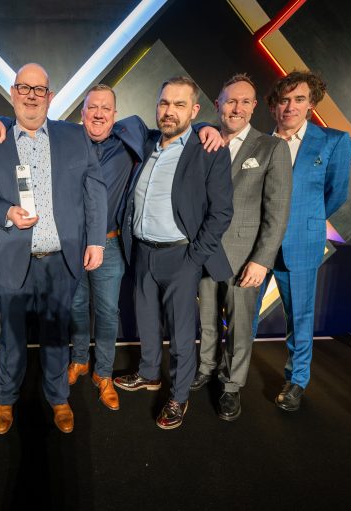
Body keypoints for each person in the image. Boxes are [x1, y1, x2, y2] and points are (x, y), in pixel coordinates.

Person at [0, 85, 223, 412]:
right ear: (81, 114)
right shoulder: (64, 139)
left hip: (109, 245)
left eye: (106, 108)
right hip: (70, 246)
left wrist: (207, 127)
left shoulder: (132, 136)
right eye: (92, 107)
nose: (98, 113)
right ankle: (80, 360)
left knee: (108, 313)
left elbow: (175, 125)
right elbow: (28, 119)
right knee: (77, 309)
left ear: (115, 115)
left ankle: (104, 373)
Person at [0, 63, 107, 435]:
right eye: (23, 88)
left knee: (55, 336)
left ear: (50, 96)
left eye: (39, 89)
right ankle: (5, 399)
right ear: (13, 93)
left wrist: (95, 240)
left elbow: (94, 188)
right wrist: (6, 212)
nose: (31, 95)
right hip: (10, 259)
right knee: (12, 339)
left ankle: (58, 397)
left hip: (60, 261)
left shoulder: (74, 136)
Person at [114, 76, 233, 430]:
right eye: (164, 103)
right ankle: (149, 373)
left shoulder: (208, 148)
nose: (169, 111)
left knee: (182, 334)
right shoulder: (148, 140)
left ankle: (179, 396)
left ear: (194, 111)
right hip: (143, 251)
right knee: (146, 322)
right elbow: (122, 122)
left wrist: (195, 258)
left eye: (180, 105)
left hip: (181, 256)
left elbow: (221, 211)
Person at [191, 74, 292, 421]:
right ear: (217, 104)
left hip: (243, 257)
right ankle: (205, 367)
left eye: (245, 101)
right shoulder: (204, 141)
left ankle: (232, 385)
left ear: (253, 107)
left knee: (239, 326)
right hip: (204, 251)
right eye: (230, 100)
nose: (237, 108)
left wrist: (262, 261)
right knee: (205, 318)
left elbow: (277, 212)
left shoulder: (271, 148)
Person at [256, 70, 351, 411]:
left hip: (300, 243)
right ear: (272, 106)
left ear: (311, 104)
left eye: (299, 99)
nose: (290, 107)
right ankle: (230, 373)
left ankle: (296, 381)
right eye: (284, 100)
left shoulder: (333, 142)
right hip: (255, 248)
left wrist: (303, 220)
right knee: (241, 314)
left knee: (300, 316)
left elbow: (336, 194)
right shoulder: (257, 143)